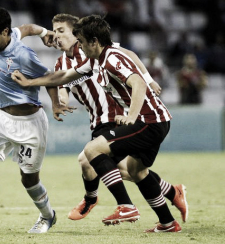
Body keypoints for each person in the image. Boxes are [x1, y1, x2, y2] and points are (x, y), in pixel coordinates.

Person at [12, 15, 182, 233]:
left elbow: (138, 83)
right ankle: (168, 222)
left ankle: (126, 206)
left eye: (81, 41)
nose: (79, 46)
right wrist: (30, 82)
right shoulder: (96, 60)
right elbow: (63, 77)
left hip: (148, 120)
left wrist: (131, 115)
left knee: (92, 151)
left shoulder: (111, 58)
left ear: (93, 41)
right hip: (155, 120)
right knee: (136, 170)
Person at [0, 7, 71, 234]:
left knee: (28, 180)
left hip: (29, 123)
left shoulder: (22, 54)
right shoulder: (11, 35)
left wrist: (56, 104)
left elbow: (50, 78)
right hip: (1, 117)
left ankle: (47, 216)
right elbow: (28, 28)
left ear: (4, 32)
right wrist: (43, 33)